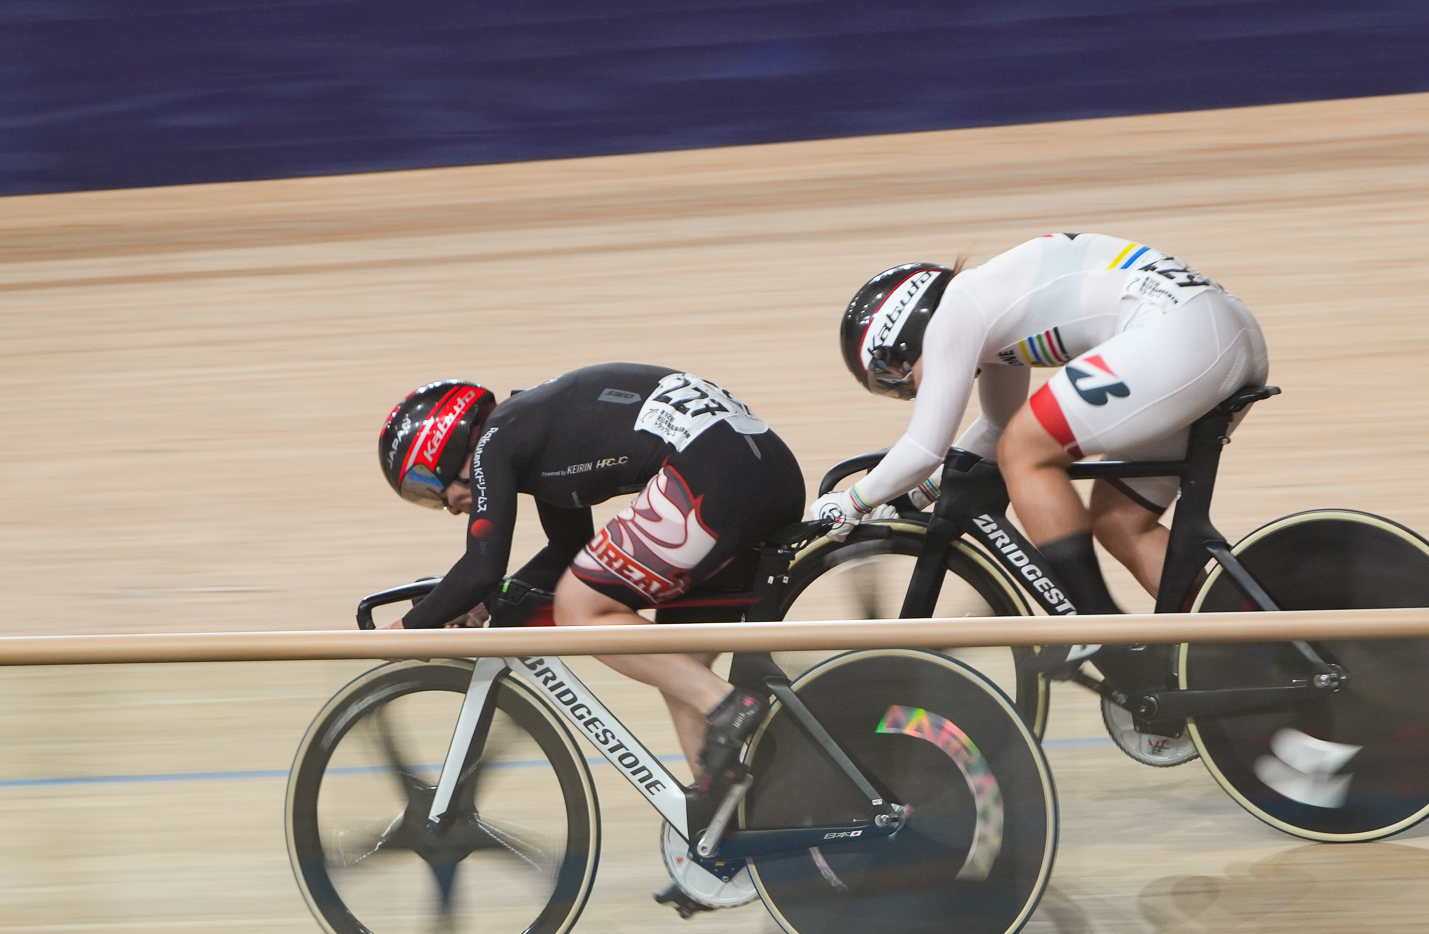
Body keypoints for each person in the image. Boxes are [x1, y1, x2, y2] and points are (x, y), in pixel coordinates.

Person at [812, 232, 1269, 629]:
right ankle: (1255, 649)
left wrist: (850, 503)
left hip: (1182, 333)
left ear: (906, 335)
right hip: (1213, 329)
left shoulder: (956, 312)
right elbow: (995, 426)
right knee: (1121, 523)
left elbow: (926, 446)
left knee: (1025, 452)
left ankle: (1098, 625)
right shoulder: (988, 319)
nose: (909, 391)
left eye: (893, 376)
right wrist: (913, 493)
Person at [377, 364, 804, 786]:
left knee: (579, 608)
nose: (448, 507)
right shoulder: (531, 426)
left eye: (427, 487)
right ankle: (724, 812)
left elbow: (483, 565)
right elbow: (566, 550)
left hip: (716, 476)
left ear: (444, 447)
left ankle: (729, 705)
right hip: (762, 472)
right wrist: (485, 602)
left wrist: (402, 631)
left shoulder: (494, 441)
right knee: (677, 666)